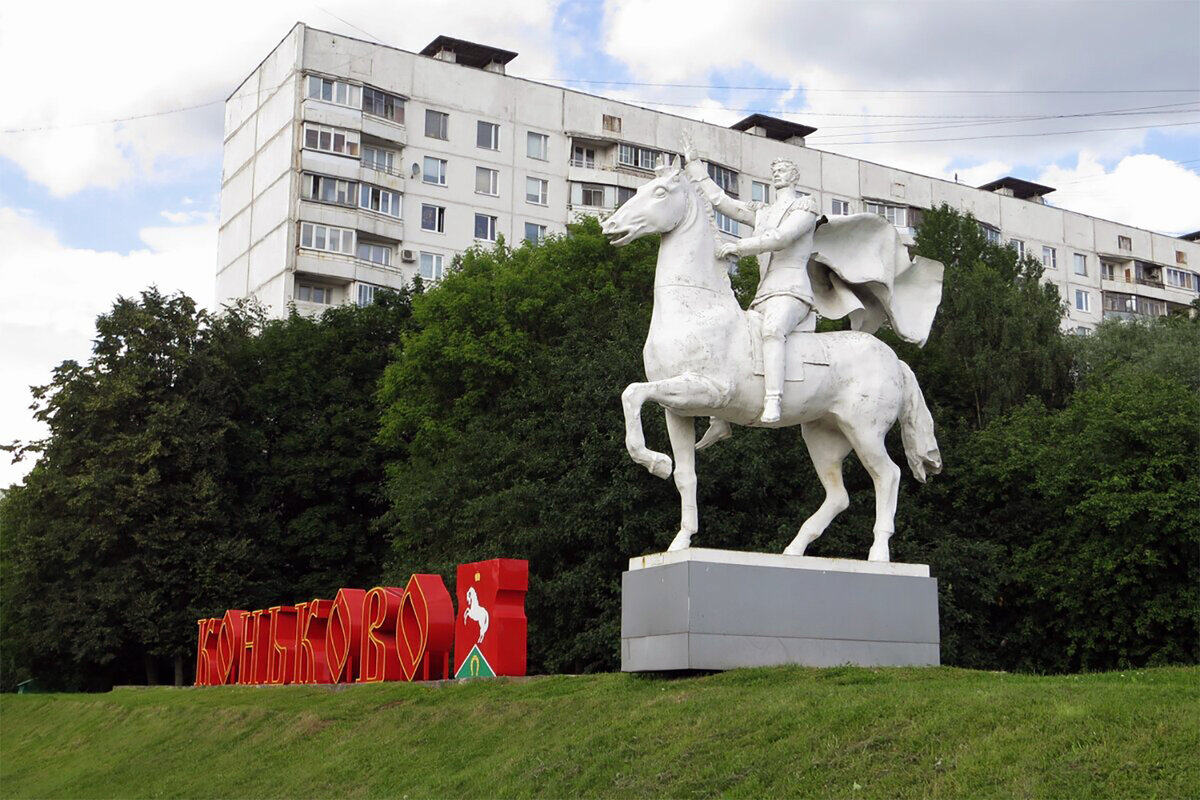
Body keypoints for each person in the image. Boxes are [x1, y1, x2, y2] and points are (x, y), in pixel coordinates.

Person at [681, 133, 820, 423]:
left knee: (772, 331)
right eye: (774, 172)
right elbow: (721, 201)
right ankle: (720, 418)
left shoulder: (805, 207)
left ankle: (773, 401)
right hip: (763, 294)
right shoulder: (763, 212)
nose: (776, 175)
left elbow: (781, 238)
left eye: (782, 171)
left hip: (793, 292)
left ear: (794, 177)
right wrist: (696, 168)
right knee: (735, 342)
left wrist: (738, 247)